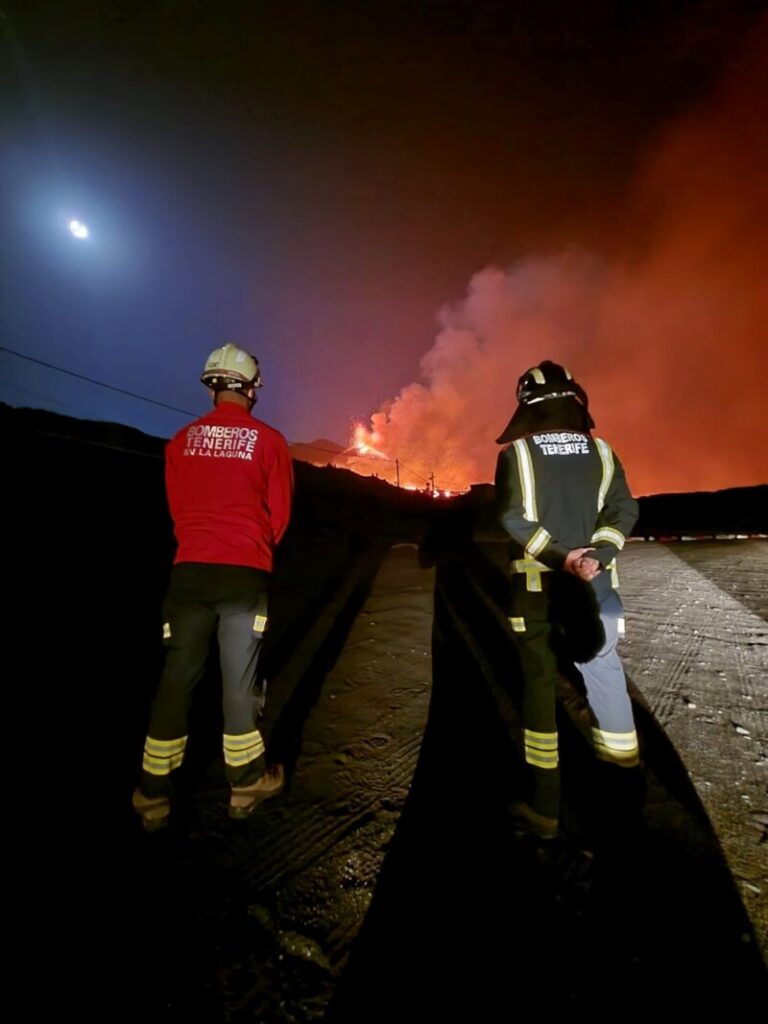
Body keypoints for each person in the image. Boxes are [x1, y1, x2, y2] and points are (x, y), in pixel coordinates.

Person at [132, 343, 294, 830]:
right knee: (239, 681)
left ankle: (152, 794)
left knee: (176, 677)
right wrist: (256, 552)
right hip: (243, 574)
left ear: (211, 386)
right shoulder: (268, 441)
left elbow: (178, 507)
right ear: (251, 389)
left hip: (189, 572)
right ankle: (245, 783)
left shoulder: (179, 441)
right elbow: (279, 516)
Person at [494, 360, 640, 841]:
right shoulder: (602, 451)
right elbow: (625, 509)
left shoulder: (518, 454)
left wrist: (561, 558)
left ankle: (545, 809)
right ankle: (622, 804)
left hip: (538, 593)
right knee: (605, 677)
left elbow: (512, 518)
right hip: (595, 589)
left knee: (539, 688)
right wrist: (596, 555)